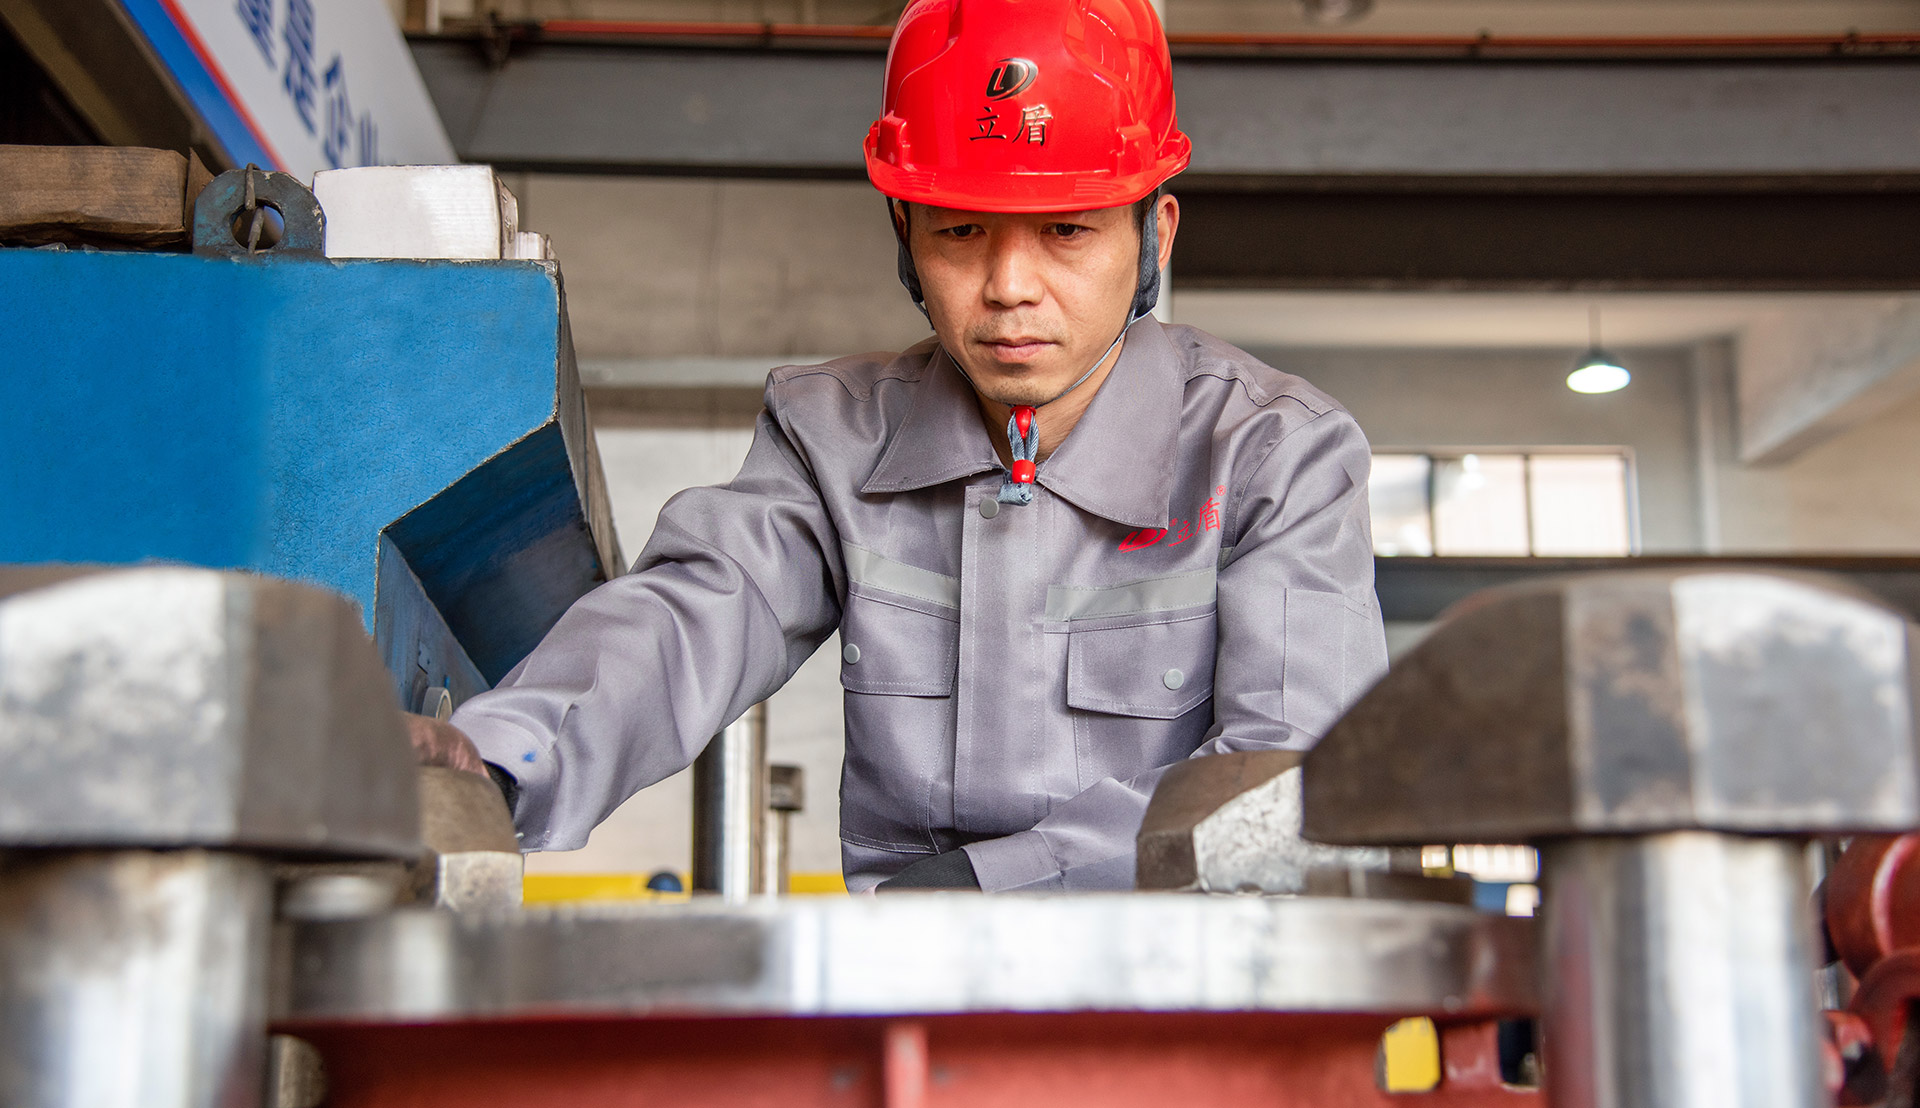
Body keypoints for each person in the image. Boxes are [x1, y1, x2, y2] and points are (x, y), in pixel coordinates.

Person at [408, 0, 1389, 892]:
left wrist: (989, 887)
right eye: (960, 232)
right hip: (904, 994)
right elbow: (692, 617)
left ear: (1154, 236)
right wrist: (496, 763)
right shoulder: (834, 438)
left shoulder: (1271, 456)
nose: (1009, 286)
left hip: (1180, 995)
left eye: (1064, 230)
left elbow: (1289, 786)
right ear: (903, 234)